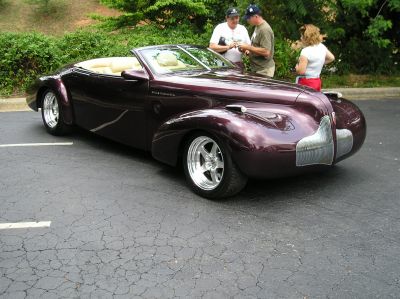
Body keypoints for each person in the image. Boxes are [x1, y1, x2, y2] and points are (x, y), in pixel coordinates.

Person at [295, 24, 335, 91]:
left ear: (307, 38)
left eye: (302, 36)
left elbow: (301, 72)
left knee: (304, 101)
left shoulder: (305, 51)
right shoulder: (321, 47)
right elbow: (331, 58)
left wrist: (297, 67)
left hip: (306, 82)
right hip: (317, 81)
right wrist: (319, 63)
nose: (301, 38)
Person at [238, 4, 275, 77]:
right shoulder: (258, 26)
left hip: (264, 70)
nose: (247, 20)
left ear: (256, 16)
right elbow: (257, 45)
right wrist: (248, 51)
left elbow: (266, 51)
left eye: (249, 18)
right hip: (258, 69)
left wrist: (248, 47)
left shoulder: (264, 29)